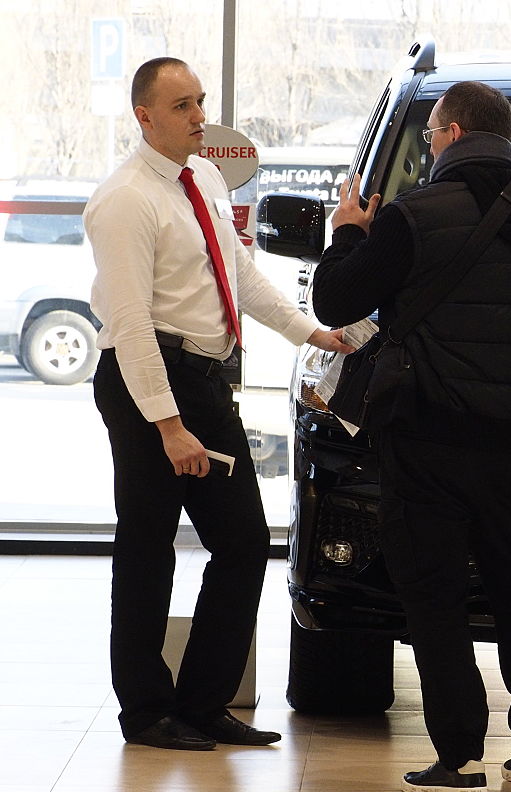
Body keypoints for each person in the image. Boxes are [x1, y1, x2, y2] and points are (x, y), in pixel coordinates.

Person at [311, 81, 511, 792]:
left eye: (433, 135)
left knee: (436, 596)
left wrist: (348, 233)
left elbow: (335, 301)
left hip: (430, 437)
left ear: (456, 131)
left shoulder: (411, 216)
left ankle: (459, 759)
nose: (430, 145)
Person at [85, 57, 350, 751]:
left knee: (242, 543)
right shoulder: (122, 201)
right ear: (144, 116)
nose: (200, 115)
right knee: (148, 549)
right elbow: (132, 324)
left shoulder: (201, 178)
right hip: (149, 383)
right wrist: (168, 425)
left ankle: (202, 705)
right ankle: (146, 713)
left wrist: (313, 333)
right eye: (182, 106)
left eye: (200, 101)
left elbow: (241, 277)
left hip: (203, 382)